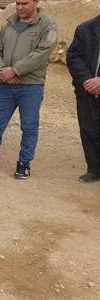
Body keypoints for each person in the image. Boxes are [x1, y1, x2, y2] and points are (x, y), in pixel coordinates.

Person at [0, 0, 57, 179]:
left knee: (29, 126)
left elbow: (42, 54)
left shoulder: (47, 25)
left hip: (31, 85)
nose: (19, 7)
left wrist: (15, 70)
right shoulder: (9, 23)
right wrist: (1, 70)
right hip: (6, 85)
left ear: (36, 2)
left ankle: (24, 164)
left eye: (24, 3)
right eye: (17, 3)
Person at [66, 15, 100, 183]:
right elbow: (73, 57)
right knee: (89, 128)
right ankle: (94, 168)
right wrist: (86, 80)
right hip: (87, 90)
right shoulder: (85, 29)